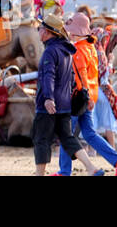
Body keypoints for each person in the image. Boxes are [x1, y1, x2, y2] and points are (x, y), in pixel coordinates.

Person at [56, 13, 117, 176]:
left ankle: (64, 171)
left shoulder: (77, 50)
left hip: (78, 97)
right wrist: (90, 97)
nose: (69, 33)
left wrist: (84, 94)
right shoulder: (91, 47)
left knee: (66, 134)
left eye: (70, 30)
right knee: (90, 134)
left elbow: (81, 75)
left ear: (75, 32)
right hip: (91, 95)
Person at [32, 13, 102, 176]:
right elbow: (71, 78)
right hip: (65, 104)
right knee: (68, 138)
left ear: (48, 32)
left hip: (49, 104)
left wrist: (48, 98)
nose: (39, 31)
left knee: (41, 138)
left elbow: (48, 76)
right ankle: (91, 168)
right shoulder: (66, 51)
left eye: (41, 28)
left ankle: (39, 173)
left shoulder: (50, 51)